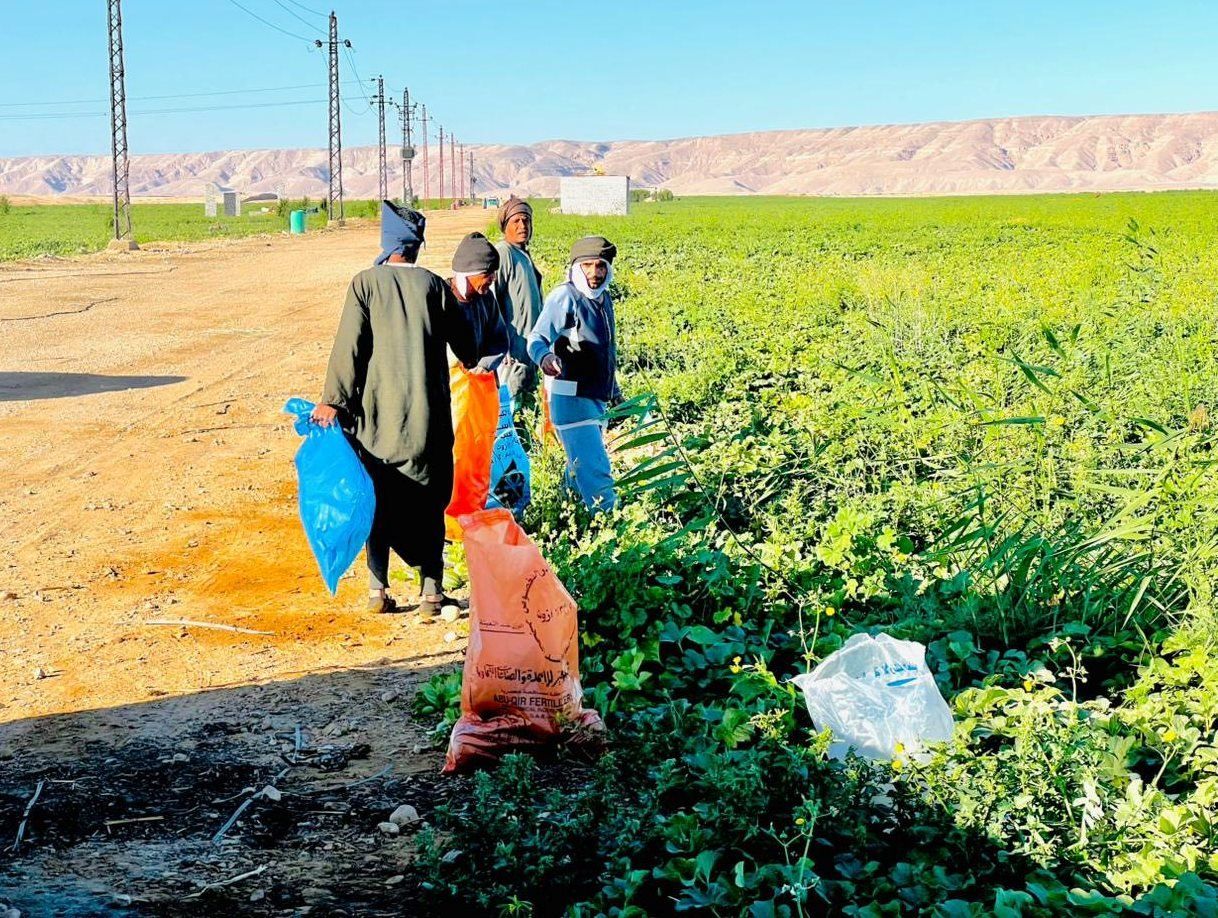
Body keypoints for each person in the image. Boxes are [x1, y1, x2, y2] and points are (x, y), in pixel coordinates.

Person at [311, 202, 490, 619]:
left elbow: (349, 349)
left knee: (379, 497)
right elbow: (469, 349)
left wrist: (332, 400)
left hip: (375, 419)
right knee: (428, 499)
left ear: (387, 244)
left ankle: (378, 590)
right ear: (415, 247)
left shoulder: (365, 284)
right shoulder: (432, 286)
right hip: (427, 419)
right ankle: (431, 594)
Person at [527, 235, 620, 512]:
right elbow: (536, 339)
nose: (594, 273)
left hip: (595, 398)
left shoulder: (603, 299)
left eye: (600, 266)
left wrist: (614, 391)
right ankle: (613, 532)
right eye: (588, 266)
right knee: (596, 472)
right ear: (576, 268)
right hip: (571, 400)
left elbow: (606, 351)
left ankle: (566, 516)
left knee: (579, 466)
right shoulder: (565, 297)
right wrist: (544, 357)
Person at [444, 233, 509, 540]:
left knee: (479, 452)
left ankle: (471, 513)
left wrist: (484, 366)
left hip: (481, 390)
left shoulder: (486, 299)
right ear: (469, 273)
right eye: (487, 276)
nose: (491, 282)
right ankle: (447, 520)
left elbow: (499, 339)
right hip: (451, 393)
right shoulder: (442, 298)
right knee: (454, 454)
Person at [492, 196, 544, 415]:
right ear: (506, 226)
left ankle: (527, 447)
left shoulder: (524, 255)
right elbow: (492, 300)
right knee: (510, 409)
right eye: (516, 221)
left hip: (529, 349)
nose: (523, 226)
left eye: (526, 221)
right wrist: (499, 345)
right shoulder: (503, 253)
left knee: (527, 408)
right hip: (512, 352)